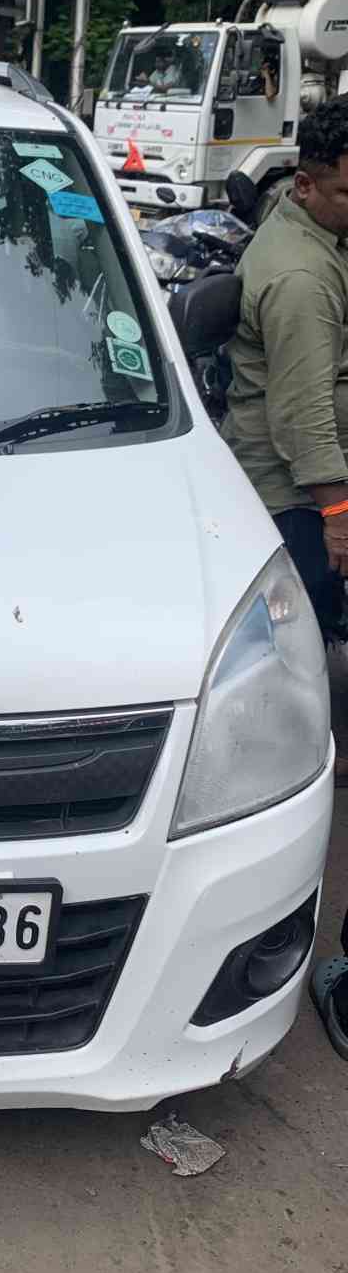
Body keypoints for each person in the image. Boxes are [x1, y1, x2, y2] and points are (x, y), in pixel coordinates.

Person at [222, 98, 348, 1055]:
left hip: (294, 489)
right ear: (307, 184)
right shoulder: (302, 275)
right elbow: (307, 420)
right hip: (300, 498)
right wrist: (341, 521)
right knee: (299, 665)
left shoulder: (301, 232)